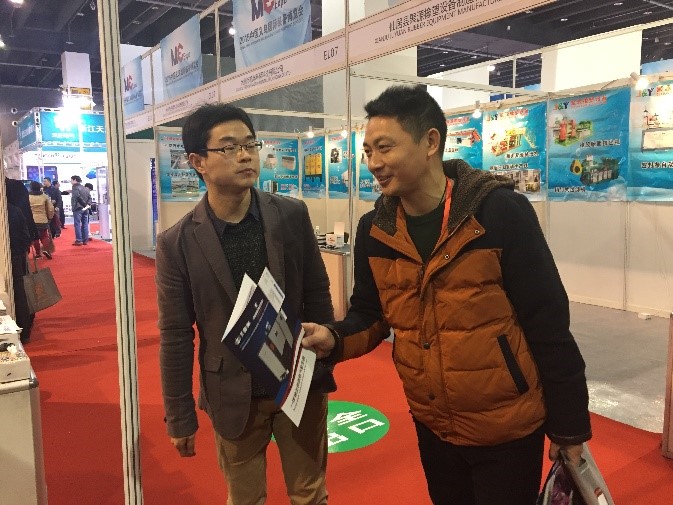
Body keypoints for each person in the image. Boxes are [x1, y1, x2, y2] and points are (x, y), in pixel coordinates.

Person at [302, 85, 592, 505]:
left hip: (507, 427)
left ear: (430, 142)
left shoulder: (498, 212)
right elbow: (371, 314)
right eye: (367, 151)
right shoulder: (375, 230)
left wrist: (570, 426)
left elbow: (547, 322)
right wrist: (333, 338)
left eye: (384, 148)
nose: (373, 163)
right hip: (433, 423)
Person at [156, 103, 335, 505]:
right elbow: (175, 335)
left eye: (250, 144)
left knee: (310, 495)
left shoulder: (291, 214)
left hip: (297, 383)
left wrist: (323, 362)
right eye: (229, 147)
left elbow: (317, 291)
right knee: (246, 500)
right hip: (233, 395)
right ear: (198, 162)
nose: (245, 155)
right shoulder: (177, 242)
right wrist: (179, 414)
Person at [7, 202, 33, 343]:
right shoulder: (15, 210)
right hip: (16, 256)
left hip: (12, 255)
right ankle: (24, 331)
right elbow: (25, 236)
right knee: (20, 292)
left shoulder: (13, 210)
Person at [28, 181, 55, 259]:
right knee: (44, 235)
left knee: (35, 237)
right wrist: (50, 217)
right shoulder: (44, 196)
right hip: (42, 219)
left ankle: (38, 253)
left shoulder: (28, 197)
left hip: (32, 220)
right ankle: (46, 249)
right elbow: (50, 209)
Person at [70, 175, 92, 246]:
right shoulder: (85, 188)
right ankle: (85, 240)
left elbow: (77, 197)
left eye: (71, 180)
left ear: (75, 180)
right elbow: (90, 198)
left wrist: (84, 204)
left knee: (77, 224)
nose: (71, 181)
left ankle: (79, 240)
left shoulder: (75, 187)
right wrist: (87, 205)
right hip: (85, 208)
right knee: (85, 223)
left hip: (78, 207)